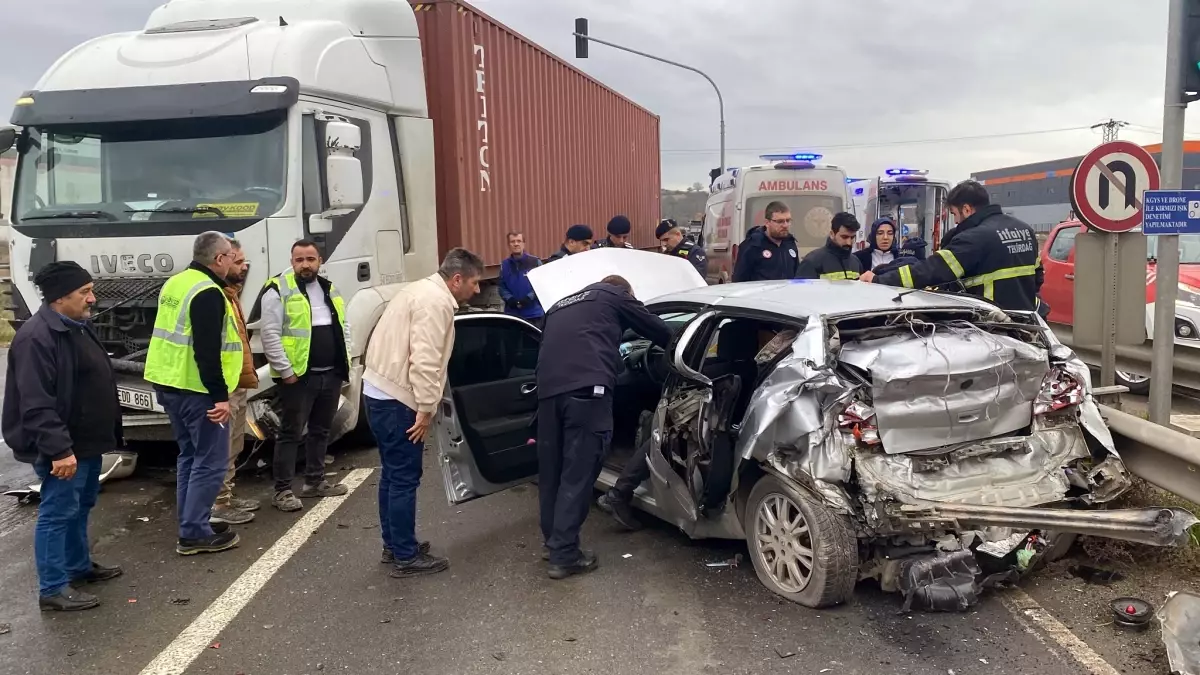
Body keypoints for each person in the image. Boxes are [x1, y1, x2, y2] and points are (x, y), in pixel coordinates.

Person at [2, 262, 123, 611]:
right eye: (84, 292)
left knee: (80, 505)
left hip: (85, 441)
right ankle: (53, 588)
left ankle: (78, 567)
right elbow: (36, 404)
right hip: (63, 446)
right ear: (59, 298)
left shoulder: (76, 325)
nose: (92, 298)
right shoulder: (38, 338)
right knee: (57, 512)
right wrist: (59, 450)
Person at [536, 275, 672, 579]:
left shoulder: (559, 305)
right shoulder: (613, 294)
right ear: (626, 292)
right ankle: (565, 555)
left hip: (548, 395)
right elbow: (661, 331)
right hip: (587, 394)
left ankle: (553, 543)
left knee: (553, 473)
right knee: (579, 471)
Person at [363, 248, 484, 578]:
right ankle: (405, 555)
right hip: (398, 399)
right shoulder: (436, 302)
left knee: (392, 473)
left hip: (378, 390)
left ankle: (395, 544)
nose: (477, 289)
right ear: (457, 279)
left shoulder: (419, 290)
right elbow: (425, 359)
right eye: (474, 282)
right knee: (404, 476)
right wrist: (427, 408)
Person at [145, 232, 242, 556]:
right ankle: (193, 532)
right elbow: (207, 350)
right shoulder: (208, 293)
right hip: (197, 390)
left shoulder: (177, 283)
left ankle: (192, 520)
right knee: (211, 461)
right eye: (230, 255)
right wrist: (219, 397)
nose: (233, 260)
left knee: (189, 456)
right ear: (218, 260)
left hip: (170, 383)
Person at [259, 239, 351, 513]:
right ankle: (283, 491)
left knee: (321, 430)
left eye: (310, 259)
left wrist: (344, 366)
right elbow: (270, 334)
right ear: (291, 262)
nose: (305, 265)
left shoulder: (328, 289)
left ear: (319, 261)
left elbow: (343, 328)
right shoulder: (277, 289)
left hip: (330, 374)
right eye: (299, 260)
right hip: (299, 377)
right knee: (291, 433)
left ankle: (315, 481)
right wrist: (286, 372)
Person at [861, 180, 1044, 312]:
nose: (956, 221)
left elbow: (931, 270)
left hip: (992, 325)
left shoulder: (975, 237)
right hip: (1025, 321)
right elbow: (1038, 276)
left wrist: (879, 280)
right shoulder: (1024, 229)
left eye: (954, 214)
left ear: (966, 209)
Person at [210, 239, 261, 525]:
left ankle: (226, 495)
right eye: (238, 261)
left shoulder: (230, 293)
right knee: (221, 445)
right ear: (221, 260)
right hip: (223, 386)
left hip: (235, 381)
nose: (244, 267)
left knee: (234, 443)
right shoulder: (213, 296)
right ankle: (218, 503)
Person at [732, 201, 799, 282]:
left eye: (788, 221)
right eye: (780, 221)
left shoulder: (790, 243)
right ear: (767, 223)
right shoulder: (753, 245)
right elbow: (739, 280)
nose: (785, 225)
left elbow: (796, 275)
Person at [796, 212, 864, 280]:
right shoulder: (812, 262)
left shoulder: (856, 262)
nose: (849, 242)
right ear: (832, 234)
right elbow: (801, 289)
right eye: (844, 237)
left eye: (852, 237)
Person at [498, 231, 545, 327]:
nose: (516, 244)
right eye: (512, 241)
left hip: (534, 314)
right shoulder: (504, 265)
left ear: (524, 243)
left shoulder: (535, 262)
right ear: (508, 245)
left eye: (519, 241)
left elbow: (541, 284)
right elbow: (502, 286)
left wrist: (528, 298)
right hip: (513, 314)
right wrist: (510, 299)